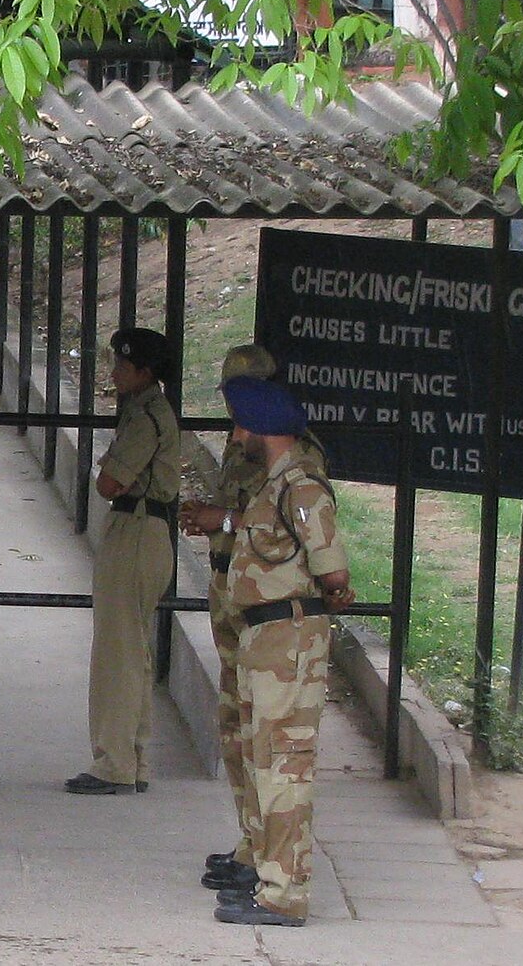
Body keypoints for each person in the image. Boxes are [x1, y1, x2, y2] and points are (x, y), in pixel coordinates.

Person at [204, 376, 354, 927]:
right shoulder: (276, 485)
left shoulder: (301, 487)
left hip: (287, 640)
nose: (237, 433)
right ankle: (268, 874)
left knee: (283, 765)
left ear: (261, 426)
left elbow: (331, 568)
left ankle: (285, 892)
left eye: (241, 422)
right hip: (263, 639)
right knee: (260, 756)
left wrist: (330, 592)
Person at [179, 345, 328, 895]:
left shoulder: (296, 456)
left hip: (274, 611)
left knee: (271, 741)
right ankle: (252, 844)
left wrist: (228, 518)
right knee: (238, 728)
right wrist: (212, 521)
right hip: (234, 589)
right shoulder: (243, 443)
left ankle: (274, 864)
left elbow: (294, 526)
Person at [64, 327, 182, 796]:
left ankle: (114, 762)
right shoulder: (143, 412)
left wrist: (109, 470)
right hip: (143, 530)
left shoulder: (145, 418)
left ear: (145, 372)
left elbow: (109, 483)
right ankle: (132, 758)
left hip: (136, 529)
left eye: (122, 365)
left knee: (118, 651)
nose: (114, 372)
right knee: (131, 648)